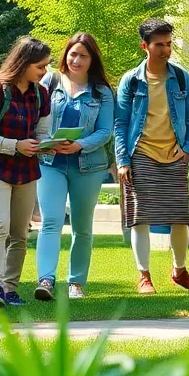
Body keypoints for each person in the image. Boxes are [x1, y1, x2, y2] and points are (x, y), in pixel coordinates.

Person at [113, 19, 189, 294]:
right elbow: (121, 122)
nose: (166, 50)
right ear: (145, 46)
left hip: (174, 154)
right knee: (140, 217)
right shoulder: (131, 80)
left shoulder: (181, 77)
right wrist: (123, 160)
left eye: (169, 44)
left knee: (180, 217)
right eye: (159, 45)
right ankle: (144, 276)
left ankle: (179, 270)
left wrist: (187, 149)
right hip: (140, 153)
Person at [34, 33, 115, 301]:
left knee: (82, 226)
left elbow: (105, 131)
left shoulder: (101, 91)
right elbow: (36, 120)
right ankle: (45, 279)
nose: (76, 60)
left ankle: (76, 283)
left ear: (92, 60)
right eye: (72, 53)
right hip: (50, 163)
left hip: (88, 166)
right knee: (52, 221)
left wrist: (80, 144)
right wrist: (48, 142)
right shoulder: (49, 81)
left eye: (83, 55)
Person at [0, 36, 53, 308]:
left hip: (26, 169)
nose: (44, 72)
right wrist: (15, 145)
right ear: (24, 62)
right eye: (40, 66)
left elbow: (42, 133)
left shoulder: (41, 94)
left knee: (20, 232)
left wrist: (47, 145)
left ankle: (10, 288)